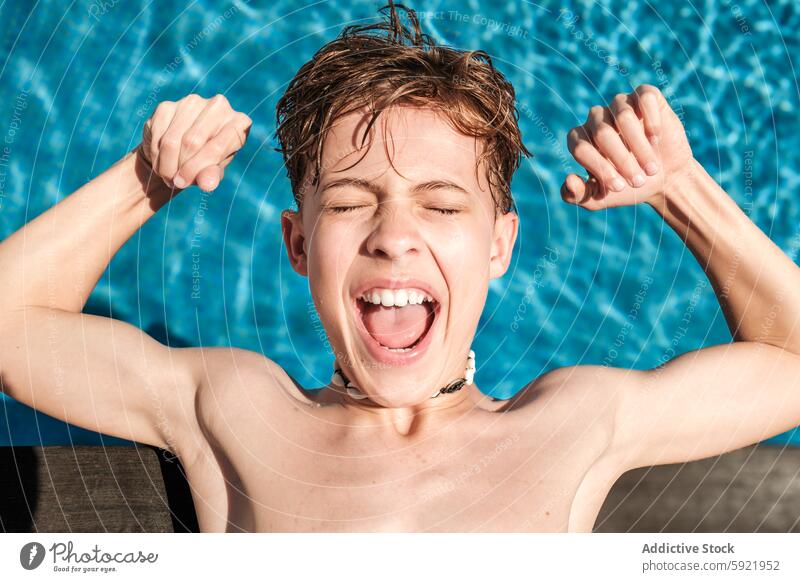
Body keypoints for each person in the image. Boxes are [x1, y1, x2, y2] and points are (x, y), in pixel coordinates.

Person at [1, 1, 798, 532]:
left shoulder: (573, 423)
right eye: (349, 203)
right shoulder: (237, 410)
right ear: (298, 246)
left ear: (499, 246)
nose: (394, 235)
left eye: (443, 207)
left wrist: (680, 191)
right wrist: (147, 177)